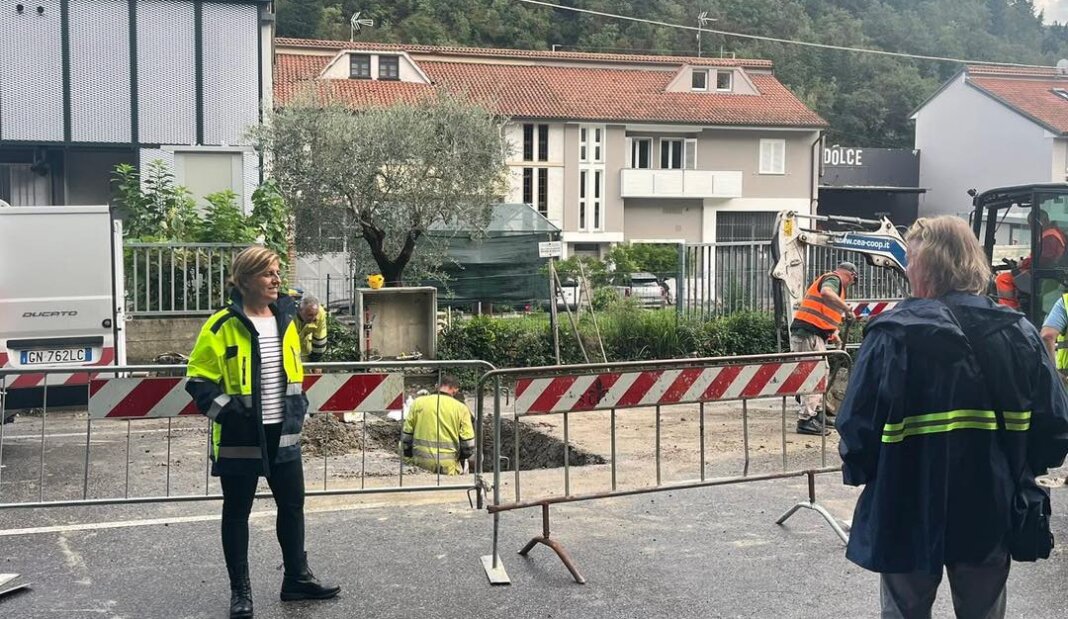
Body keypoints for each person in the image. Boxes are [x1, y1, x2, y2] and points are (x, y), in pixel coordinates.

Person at [836, 216, 1068, 619]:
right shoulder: (1018, 333)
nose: (907, 269)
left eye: (910, 260)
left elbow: (857, 428)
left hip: (904, 502)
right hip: (990, 505)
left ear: (925, 267)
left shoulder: (891, 335)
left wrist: (863, 472)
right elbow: (1054, 426)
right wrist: (1021, 469)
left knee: (904, 611)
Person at [186, 246, 340, 619]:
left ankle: (297, 579)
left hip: (283, 433)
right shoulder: (221, 325)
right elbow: (198, 381)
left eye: (277, 272)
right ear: (246, 279)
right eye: (268, 273)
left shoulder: (285, 319)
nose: (276, 279)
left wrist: (299, 406)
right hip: (240, 437)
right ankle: (241, 593)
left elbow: (294, 368)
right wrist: (230, 414)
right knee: (237, 512)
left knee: (293, 506)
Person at [789, 260, 858, 435]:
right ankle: (806, 419)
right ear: (851, 275)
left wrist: (834, 336)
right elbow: (826, 293)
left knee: (822, 372)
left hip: (813, 334)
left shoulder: (836, 286)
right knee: (813, 374)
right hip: (808, 334)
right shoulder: (834, 279)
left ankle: (818, 413)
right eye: (853, 280)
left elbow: (823, 314)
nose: (852, 284)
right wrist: (847, 309)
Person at [400, 375, 476, 475]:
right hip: (448, 465)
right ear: (455, 390)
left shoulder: (417, 403)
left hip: (421, 462)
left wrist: (409, 455)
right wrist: (459, 458)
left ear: (436, 386)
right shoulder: (461, 408)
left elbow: (406, 437)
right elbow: (468, 445)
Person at [995, 209, 1066, 309]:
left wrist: (1024, 263)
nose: (1031, 228)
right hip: (1045, 274)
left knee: (1003, 279)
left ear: (1042, 221)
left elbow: (1044, 260)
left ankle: (1009, 311)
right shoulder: (1051, 234)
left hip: (1043, 276)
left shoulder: (1050, 237)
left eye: (1032, 224)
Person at [295, 293, 329, 363]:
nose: (313, 318)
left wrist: (316, 363)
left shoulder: (320, 314)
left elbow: (320, 340)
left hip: (306, 349)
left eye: (315, 314)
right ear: (300, 311)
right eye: (310, 315)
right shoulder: (289, 315)